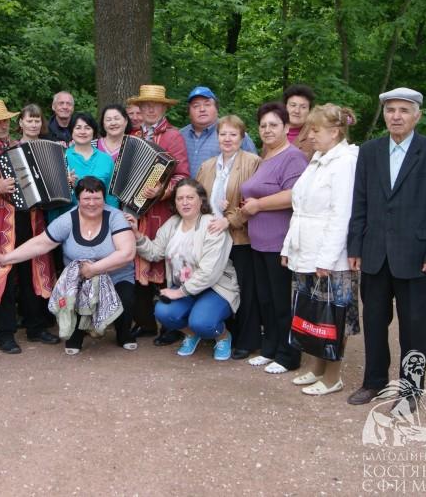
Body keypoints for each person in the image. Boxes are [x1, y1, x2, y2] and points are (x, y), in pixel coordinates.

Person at [346, 87, 426, 406]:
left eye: (404, 110)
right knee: (374, 322)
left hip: (417, 257)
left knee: (414, 326)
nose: (396, 116)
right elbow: (360, 203)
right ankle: (374, 382)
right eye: (390, 110)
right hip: (375, 255)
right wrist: (355, 247)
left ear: (417, 116)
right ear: (384, 115)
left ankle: (410, 390)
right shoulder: (370, 151)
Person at [0, 177, 138, 354]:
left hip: (116, 276)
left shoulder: (116, 217)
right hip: (80, 278)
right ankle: (76, 334)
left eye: (97, 198)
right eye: (86, 198)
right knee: (74, 296)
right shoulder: (67, 219)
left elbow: (127, 253)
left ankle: (123, 333)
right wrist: (6, 258)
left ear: (104, 199)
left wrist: (94, 269)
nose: (92, 203)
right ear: (78, 199)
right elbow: (40, 243)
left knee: (126, 298)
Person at [0, 100, 59, 354]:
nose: (3, 125)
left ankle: (35, 327)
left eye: (5, 120)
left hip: (29, 220)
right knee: (4, 276)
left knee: (31, 273)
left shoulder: (20, 146)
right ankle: (4, 333)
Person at [280, 104, 360, 395]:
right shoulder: (318, 159)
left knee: (333, 314)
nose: (309, 135)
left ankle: (333, 375)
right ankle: (316, 367)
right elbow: (300, 207)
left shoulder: (345, 162)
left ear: (335, 132)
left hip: (330, 255)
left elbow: (341, 214)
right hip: (306, 248)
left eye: (315, 130)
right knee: (312, 312)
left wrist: (326, 258)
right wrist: (289, 246)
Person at [126, 179, 240, 360]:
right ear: (175, 202)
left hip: (215, 288)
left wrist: (179, 293)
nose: (185, 202)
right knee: (163, 312)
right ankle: (191, 334)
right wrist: (137, 234)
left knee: (202, 322)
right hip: (185, 288)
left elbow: (209, 273)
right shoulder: (173, 223)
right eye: (180, 198)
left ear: (201, 200)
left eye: (190, 197)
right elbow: (155, 252)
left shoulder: (212, 224)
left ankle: (223, 336)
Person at [240, 102, 308, 374]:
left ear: (286, 127)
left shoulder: (293, 157)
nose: (267, 130)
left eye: (273, 125)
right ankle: (270, 348)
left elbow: (294, 195)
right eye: (263, 125)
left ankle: (288, 355)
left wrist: (257, 205)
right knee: (265, 299)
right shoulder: (265, 157)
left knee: (281, 301)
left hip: (279, 242)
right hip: (258, 241)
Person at [125, 85, 190, 346]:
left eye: (156, 105)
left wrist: (161, 191)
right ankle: (145, 323)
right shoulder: (133, 135)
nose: (150, 109)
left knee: (166, 266)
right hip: (136, 211)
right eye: (146, 105)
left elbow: (182, 175)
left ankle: (171, 326)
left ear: (164, 108)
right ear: (139, 108)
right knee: (138, 265)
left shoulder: (173, 136)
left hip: (162, 212)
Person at [196, 115, 261, 360]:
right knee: (218, 285)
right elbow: (199, 199)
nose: (227, 139)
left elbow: (253, 201)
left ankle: (247, 339)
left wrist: (229, 219)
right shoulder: (207, 166)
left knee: (244, 287)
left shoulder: (253, 162)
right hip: (213, 238)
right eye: (223, 134)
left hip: (240, 236)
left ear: (242, 138)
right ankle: (223, 332)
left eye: (233, 134)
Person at [180, 86, 258, 177]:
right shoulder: (179, 136)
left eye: (207, 104)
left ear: (216, 108)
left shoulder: (235, 135)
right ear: (189, 111)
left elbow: (254, 168)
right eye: (196, 106)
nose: (202, 109)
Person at [64, 113, 118, 208]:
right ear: (71, 131)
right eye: (78, 128)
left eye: (87, 128)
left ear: (94, 132)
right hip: (68, 214)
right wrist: (66, 185)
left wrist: (113, 215)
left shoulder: (106, 159)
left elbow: (111, 197)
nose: (83, 132)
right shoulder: (62, 157)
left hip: (100, 214)